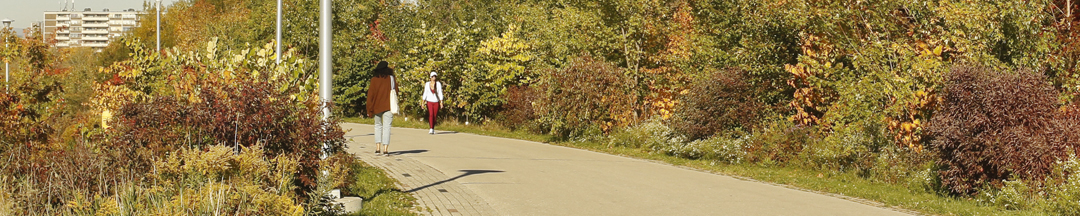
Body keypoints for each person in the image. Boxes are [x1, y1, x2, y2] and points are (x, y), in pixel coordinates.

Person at [366, 61, 398, 156]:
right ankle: (385, 149)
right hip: (388, 106)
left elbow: (370, 96)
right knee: (387, 127)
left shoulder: (374, 80)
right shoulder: (391, 79)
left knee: (378, 126)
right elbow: (396, 91)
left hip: (376, 107)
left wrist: (369, 109)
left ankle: (377, 148)